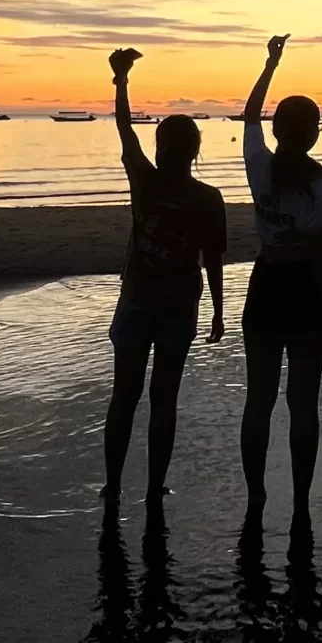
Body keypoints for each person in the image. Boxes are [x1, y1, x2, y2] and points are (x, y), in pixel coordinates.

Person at [101, 47, 226, 513]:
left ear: (162, 148)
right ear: (195, 150)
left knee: (125, 398)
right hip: (176, 306)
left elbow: (123, 129)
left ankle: (114, 487)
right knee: (163, 400)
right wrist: (217, 307)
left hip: (138, 301)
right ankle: (153, 489)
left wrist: (121, 81)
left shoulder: (145, 180)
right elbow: (212, 258)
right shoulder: (207, 197)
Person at [240, 35, 322, 531]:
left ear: (279, 129)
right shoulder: (319, 183)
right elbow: (318, 248)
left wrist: (270, 65)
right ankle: (301, 500)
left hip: (266, 284)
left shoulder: (260, 166)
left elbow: (248, 118)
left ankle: (257, 494)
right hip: (304, 288)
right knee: (303, 402)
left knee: (259, 399)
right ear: (313, 133)